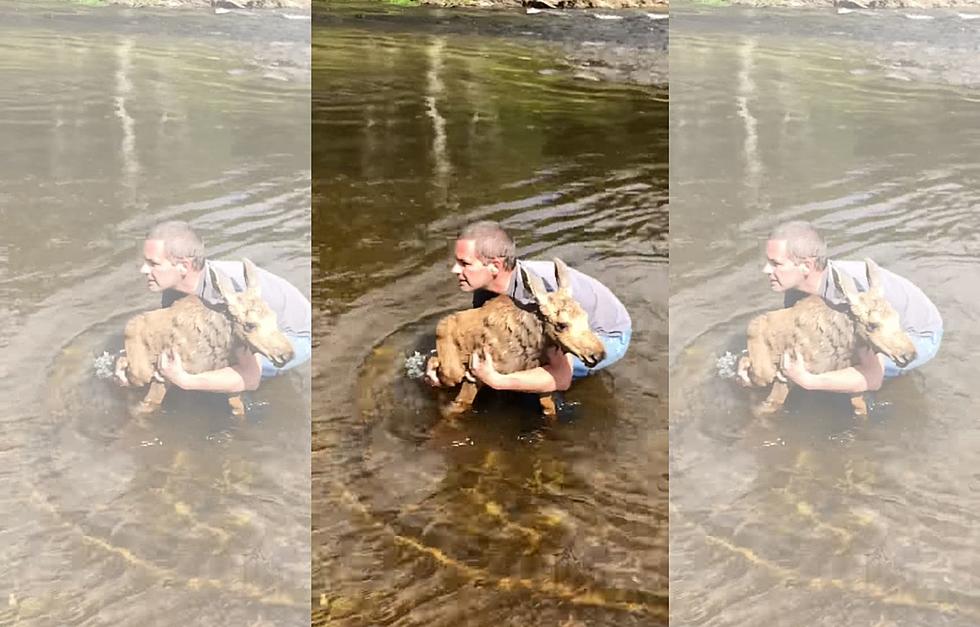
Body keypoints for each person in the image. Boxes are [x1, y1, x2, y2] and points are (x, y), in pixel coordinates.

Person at [425, 220, 632, 394]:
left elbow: (562, 377)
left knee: (527, 368)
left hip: (606, 335)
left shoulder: (536, 295)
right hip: (566, 326)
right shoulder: (484, 290)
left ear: (495, 266)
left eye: (465, 263)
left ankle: (560, 417)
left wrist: (497, 381)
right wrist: (444, 363)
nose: (454, 269)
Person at [741, 220, 942, 393]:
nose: (766, 270)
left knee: (837, 366)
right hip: (879, 326)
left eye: (776, 264)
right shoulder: (796, 290)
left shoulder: (847, 297)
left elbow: (873, 376)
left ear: (807, 266)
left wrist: (808, 381)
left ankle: (870, 420)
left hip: (918, 335)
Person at [119, 220, 311, 394]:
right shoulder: (173, 289)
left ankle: (250, 408)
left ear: (184, 266)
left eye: (153, 264)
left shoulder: (223, 297)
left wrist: (185, 380)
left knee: (217, 367)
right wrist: (133, 360)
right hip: (255, 326)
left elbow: (250, 377)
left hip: (295, 335)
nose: (143, 270)